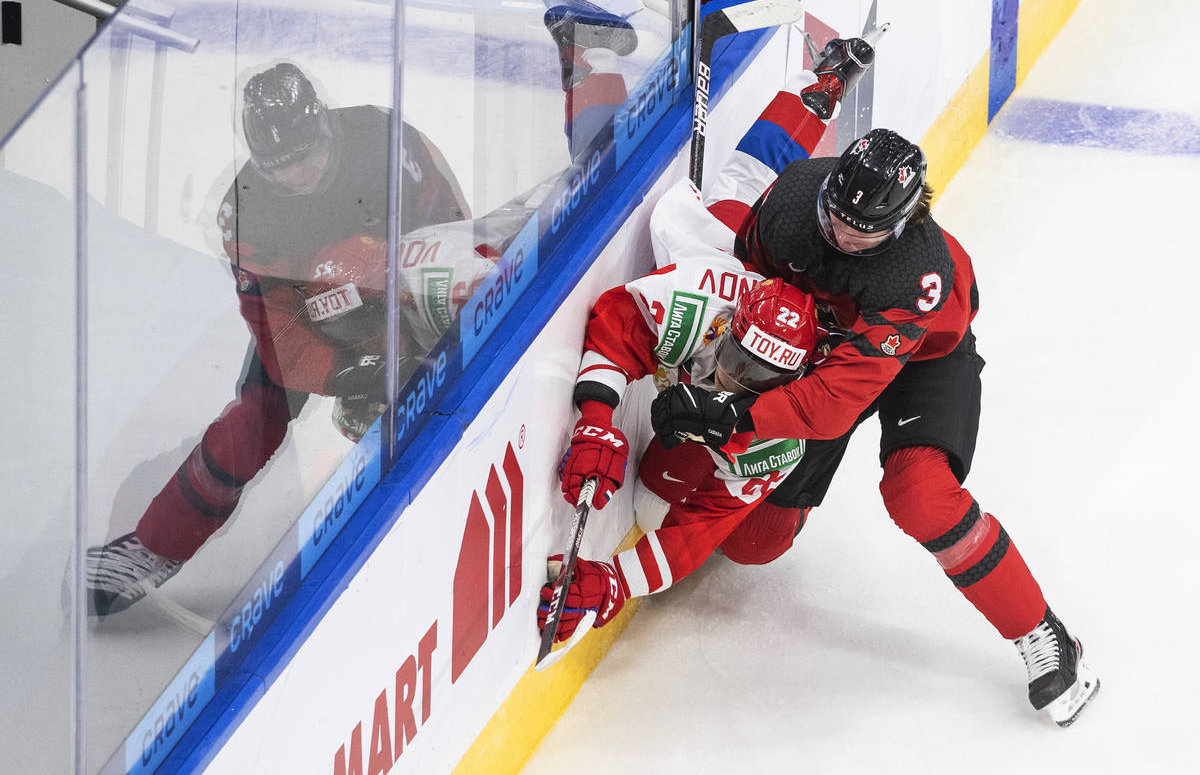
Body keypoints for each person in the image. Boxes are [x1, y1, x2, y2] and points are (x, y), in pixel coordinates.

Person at [648, 44, 1100, 726]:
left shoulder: (914, 278)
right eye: (834, 219)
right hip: (828, 347)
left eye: (861, 235)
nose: (838, 238)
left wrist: (731, 418)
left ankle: (1045, 635)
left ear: (902, 223)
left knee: (920, 494)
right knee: (753, 544)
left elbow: (831, 404)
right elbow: (741, 243)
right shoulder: (798, 197)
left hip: (918, 361)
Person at [85, 62, 482, 615]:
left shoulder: (384, 139)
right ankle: (153, 548)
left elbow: (454, 229)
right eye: (279, 167)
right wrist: (345, 373)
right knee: (255, 420)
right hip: (311, 315)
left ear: (326, 129)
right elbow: (277, 330)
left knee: (449, 358)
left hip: (408, 279)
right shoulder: (244, 210)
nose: (296, 175)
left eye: (306, 157)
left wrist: (428, 308)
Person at [537, 177, 831, 644]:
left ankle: (790, 510)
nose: (735, 381)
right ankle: (803, 109)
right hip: (732, 249)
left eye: (761, 380)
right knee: (739, 193)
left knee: (754, 542)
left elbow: (701, 528)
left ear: (789, 382)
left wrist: (617, 581)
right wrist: (595, 420)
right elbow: (619, 321)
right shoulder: (700, 299)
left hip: (822, 370)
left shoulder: (785, 431)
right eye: (736, 361)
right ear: (725, 328)